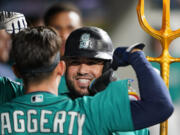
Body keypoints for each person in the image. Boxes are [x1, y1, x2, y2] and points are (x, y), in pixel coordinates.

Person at [0, 26, 174, 134]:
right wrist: (136, 57)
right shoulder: (25, 95)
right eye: (75, 62)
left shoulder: (122, 105)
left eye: (92, 63)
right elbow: (160, 105)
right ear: (62, 67)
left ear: (107, 67)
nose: (83, 70)